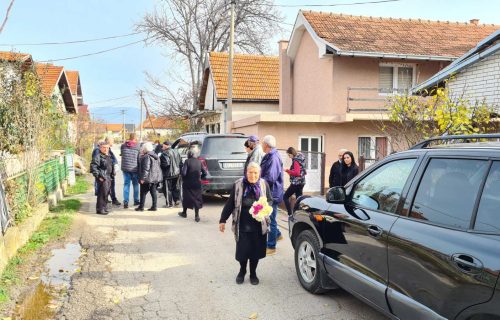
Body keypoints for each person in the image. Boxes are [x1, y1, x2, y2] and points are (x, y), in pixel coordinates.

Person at [219, 162, 272, 285]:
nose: (253, 175)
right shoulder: (238, 185)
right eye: (250, 172)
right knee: (243, 252)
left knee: (256, 252)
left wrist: (264, 208)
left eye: (255, 173)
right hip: (242, 224)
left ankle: (253, 273)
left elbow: (269, 200)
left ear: (259, 174)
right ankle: (242, 271)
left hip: (259, 225)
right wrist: (223, 220)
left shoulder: (264, 184)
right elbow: (230, 203)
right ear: (246, 172)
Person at [260, 135, 284, 256]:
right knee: (270, 217)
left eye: (262, 143)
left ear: (267, 145)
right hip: (270, 192)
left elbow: (271, 178)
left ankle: (271, 246)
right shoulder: (270, 155)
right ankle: (277, 234)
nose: (261, 145)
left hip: (272, 193)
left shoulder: (273, 157)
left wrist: (259, 182)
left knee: (271, 220)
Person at [179, 150, 206, 222]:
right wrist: (200, 178)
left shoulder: (187, 161)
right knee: (197, 198)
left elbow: (184, 173)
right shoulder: (199, 162)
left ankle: (184, 213)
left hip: (188, 183)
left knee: (186, 198)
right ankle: (197, 216)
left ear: (189, 155)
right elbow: (205, 173)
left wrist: (183, 178)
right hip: (197, 183)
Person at [92, 137, 120, 206]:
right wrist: (99, 176)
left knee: (107, 190)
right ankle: (101, 207)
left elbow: (111, 160)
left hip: (108, 174)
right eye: (112, 141)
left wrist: (113, 170)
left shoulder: (108, 150)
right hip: (103, 175)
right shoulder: (97, 151)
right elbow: (95, 164)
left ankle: (104, 205)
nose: (113, 143)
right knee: (102, 192)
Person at [136, 142, 163, 211]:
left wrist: (142, 178)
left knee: (143, 192)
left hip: (148, 178)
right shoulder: (155, 155)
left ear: (145, 149)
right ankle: (154, 206)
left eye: (143, 148)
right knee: (153, 192)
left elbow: (146, 168)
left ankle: (141, 207)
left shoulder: (146, 156)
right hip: (155, 177)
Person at [90, 141, 115, 215]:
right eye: (104, 147)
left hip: (108, 177)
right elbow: (93, 167)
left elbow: (110, 166)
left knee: (106, 193)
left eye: (107, 147)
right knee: (102, 194)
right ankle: (100, 209)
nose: (106, 149)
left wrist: (113, 173)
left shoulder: (108, 155)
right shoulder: (97, 156)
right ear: (100, 148)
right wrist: (99, 176)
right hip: (102, 177)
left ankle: (104, 207)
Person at [283, 147, 306, 216]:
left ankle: (290, 214)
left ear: (291, 154)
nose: (289, 157)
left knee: (285, 196)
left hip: (296, 183)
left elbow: (297, 173)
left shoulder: (296, 160)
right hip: (302, 182)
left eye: (289, 155)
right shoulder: (301, 158)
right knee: (299, 199)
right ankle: (300, 215)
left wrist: (287, 170)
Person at [160, 140, 182, 208]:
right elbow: (180, 162)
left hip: (168, 174)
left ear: (166, 145)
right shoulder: (176, 151)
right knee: (175, 187)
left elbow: (166, 164)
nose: (162, 147)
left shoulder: (164, 153)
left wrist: (160, 165)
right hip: (177, 172)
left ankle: (169, 204)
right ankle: (176, 200)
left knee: (167, 189)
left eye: (163, 145)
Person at [121, 133, 140, 209]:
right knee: (135, 185)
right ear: (135, 138)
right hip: (135, 169)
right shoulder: (138, 146)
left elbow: (122, 154)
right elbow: (139, 159)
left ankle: (126, 201)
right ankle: (136, 200)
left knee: (126, 185)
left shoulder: (123, 146)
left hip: (125, 169)